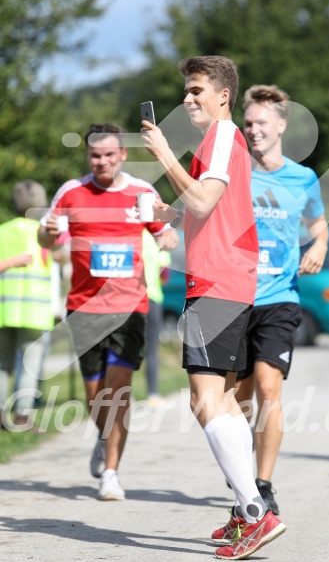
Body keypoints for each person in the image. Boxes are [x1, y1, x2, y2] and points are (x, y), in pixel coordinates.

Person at [141, 56, 286, 560]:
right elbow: (205, 208)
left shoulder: (222, 135)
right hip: (222, 276)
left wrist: (163, 153)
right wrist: (169, 214)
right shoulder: (215, 142)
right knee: (214, 400)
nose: (187, 99)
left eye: (196, 90)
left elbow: (205, 203)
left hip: (219, 279)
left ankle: (254, 511)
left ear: (223, 94)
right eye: (185, 91)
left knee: (206, 400)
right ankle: (247, 507)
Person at [38, 123, 179, 501]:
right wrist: (49, 235)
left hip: (130, 306)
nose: (102, 161)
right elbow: (45, 236)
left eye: (109, 154)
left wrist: (167, 235)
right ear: (88, 156)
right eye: (95, 155)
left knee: (118, 393)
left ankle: (112, 473)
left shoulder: (141, 193)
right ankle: (103, 440)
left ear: (123, 155)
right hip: (84, 308)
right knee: (94, 396)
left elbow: (167, 230)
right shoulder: (71, 192)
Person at [233, 84, 328, 515]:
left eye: (261, 123)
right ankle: (237, 469)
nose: (253, 130)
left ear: (281, 126)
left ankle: (263, 483)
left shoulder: (302, 177)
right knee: (239, 398)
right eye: (247, 123)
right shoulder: (234, 173)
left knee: (270, 388)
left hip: (279, 297)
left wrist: (320, 247)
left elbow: (318, 224)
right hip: (233, 297)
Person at [0, 181, 54, 431]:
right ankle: (22, 416)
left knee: (3, 365)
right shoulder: (44, 234)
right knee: (28, 365)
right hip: (36, 312)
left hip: (4, 310)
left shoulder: (3, 231)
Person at [142, 229, 171, 406]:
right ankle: (152, 393)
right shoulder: (157, 236)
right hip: (152, 298)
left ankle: (123, 394)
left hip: (130, 299)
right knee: (151, 349)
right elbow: (164, 276)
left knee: (126, 348)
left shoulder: (131, 232)